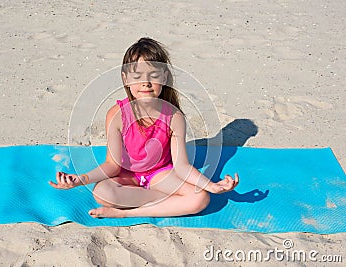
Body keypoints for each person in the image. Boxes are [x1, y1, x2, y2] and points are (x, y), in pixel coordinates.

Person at [49, 37, 239, 218]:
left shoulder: (174, 116)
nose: (145, 83)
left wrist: (212, 186)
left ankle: (126, 212)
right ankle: (169, 202)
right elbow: (112, 165)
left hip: (161, 175)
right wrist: (81, 179)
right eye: (137, 76)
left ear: (164, 77)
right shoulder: (116, 115)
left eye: (154, 76)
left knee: (201, 198)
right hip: (127, 175)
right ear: (125, 79)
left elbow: (182, 167)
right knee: (102, 193)